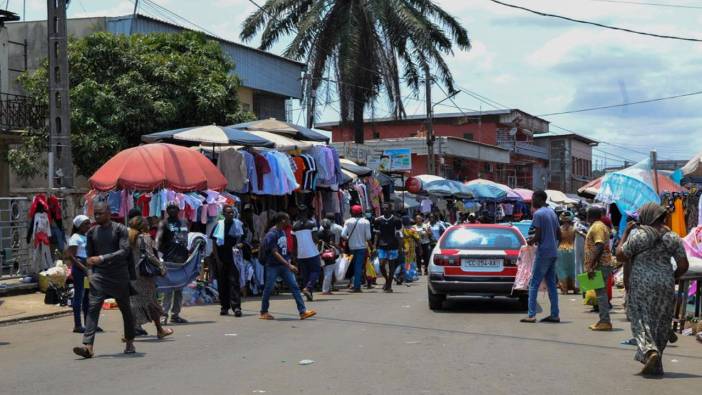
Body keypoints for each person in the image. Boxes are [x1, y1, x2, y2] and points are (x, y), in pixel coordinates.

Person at [616, 203, 689, 376]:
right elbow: (683, 265)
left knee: (641, 318)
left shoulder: (639, 236)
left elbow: (620, 255)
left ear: (647, 216)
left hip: (642, 283)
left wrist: (625, 233)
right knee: (661, 322)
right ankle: (657, 364)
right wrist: (673, 276)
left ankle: (650, 351)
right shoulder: (673, 237)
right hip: (665, 282)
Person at [72, 202, 136, 358]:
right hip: (99, 276)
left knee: (125, 309)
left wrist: (102, 258)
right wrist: (91, 273)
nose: (97, 216)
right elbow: (89, 257)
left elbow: (124, 251)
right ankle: (88, 346)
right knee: (93, 309)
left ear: (109, 213)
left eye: (100, 213)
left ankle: (129, 341)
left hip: (119, 275)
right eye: (96, 214)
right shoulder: (92, 232)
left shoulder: (120, 229)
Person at [259, 213, 316, 320]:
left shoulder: (282, 231)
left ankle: (302, 311)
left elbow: (283, 249)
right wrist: (289, 265)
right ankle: (264, 311)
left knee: (294, 287)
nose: (290, 221)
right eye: (288, 219)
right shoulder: (272, 234)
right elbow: (275, 253)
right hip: (273, 266)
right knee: (268, 288)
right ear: (282, 220)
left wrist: (290, 259)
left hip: (284, 265)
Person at [128, 216, 173, 339]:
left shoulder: (128, 237)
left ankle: (130, 332)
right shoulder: (145, 238)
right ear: (142, 226)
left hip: (132, 275)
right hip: (144, 276)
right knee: (151, 302)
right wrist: (161, 266)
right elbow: (150, 256)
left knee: (134, 303)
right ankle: (159, 330)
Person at [521, 190, 561, 324]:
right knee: (551, 285)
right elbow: (559, 235)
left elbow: (537, 235)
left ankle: (531, 315)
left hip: (543, 252)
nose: (532, 201)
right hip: (553, 252)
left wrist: (530, 242)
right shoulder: (552, 213)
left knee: (533, 283)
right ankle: (555, 314)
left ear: (539, 198)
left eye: (533, 198)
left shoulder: (538, 214)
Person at [156, 203, 190, 325]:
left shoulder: (184, 222)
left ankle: (176, 315)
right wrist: (158, 257)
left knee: (179, 289)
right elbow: (158, 240)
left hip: (182, 260)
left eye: (174, 207)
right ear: (166, 210)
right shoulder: (163, 223)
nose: (172, 210)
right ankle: (164, 315)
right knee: (168, 288)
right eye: (169, 208)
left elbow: (188, 238)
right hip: (168, 260)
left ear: (178, 209)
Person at [210, 205, 245, 317]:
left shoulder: (238, 225)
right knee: (222, 283)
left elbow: (243, 240)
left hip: (234, 257)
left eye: (232, 213)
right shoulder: (218, 225)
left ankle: (236, 307)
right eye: (228, 213)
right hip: (221, 257)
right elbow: (214, 243)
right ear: (223, 214)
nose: (230, 214)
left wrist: (241, 244)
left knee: (234, 282)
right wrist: (217, 259)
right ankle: (224, 307)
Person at [584, 206, 615, 331]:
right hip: (600, 264)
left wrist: (591, 265)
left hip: (600, 265)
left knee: (601, 293)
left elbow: (600, 245)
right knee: (599, 293)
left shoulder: (597, 226)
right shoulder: (599, 226)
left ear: (589, 216)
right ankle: (603, 320)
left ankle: (605, 321)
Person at [65, 215, 91, 333]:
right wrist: (84, 268)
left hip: (87, 270)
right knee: (78, 296)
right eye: (86, 224)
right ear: (79, 225)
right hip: (80, 270)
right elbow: (71, 256)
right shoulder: (75, 237)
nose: (88, 226)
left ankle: (88, 323)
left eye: (88, 223)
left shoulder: (86, 236)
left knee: (87, 296)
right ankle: (77, 324)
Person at [293, 205, 321, 301]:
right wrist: (319, 241)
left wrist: (295, 255)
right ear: (306, 212)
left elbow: (294, 243)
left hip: (301, 254)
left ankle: (309, 294)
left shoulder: (294, 226)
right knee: (316, 270)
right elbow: (315, 239)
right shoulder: (312, 224)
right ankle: (308, 288)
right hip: (312, 252)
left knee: (305, 274)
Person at [342, 205, 372, 292]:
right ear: (360, 212)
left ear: (351, 212)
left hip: (351, 247)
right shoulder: (365, 222)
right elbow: (368, 236)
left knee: (352, 266)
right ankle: (357, 286)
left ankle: (352, 284)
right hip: (362, 247)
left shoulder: (347, 221)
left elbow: (343, 235)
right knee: (358, 267)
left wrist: (349, 239)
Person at [374, 203, 402, 293]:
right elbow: (377, 234)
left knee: (391, 266)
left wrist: (400, 247)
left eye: (386, 208)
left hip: (393, 245)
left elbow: (398, 234)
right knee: (381, 265)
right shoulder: (378, 220)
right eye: (383, 208)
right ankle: (387, 280)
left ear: (390, 209)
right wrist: (374, 246)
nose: (384, 209)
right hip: (382, 245)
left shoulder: (396, 220)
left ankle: (389, 286)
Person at [556, 211, 577, 294]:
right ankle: (575, 287)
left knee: (562, 269)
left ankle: (564, 289)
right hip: (572, 250)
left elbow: (558, 240)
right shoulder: (574, 229)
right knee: (572, 269)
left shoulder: (559, 229)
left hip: (561, 250)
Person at [318, 219, 339, 295]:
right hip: (330, 254)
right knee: (329, 272)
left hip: (321, 254)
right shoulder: (331, 233)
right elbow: (332, 243)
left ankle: (328, 289)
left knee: (325, 271)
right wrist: (339, 248)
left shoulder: (319, 233)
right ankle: (326, 290)